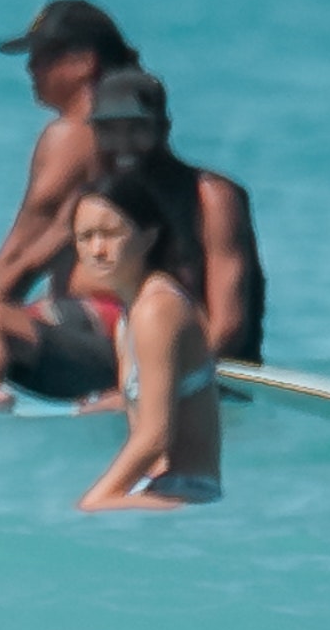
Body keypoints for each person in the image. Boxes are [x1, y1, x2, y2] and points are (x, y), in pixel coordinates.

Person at [0, 13, 263, 398]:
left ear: (163, 128)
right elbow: (27, 263)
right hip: (116, 354)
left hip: (191, 362)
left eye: (136, 129)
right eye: (110, 131)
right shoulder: (98, 198)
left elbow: (229, 324)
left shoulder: (211, 197)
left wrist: (150, 388)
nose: (123, 144)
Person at [61, 170, 226, 511]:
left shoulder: (157, 309)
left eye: (111, 234)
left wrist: (92, 501)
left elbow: (155, 436)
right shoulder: (132, 310)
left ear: (148, 236)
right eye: (85, 237)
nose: (97, 250)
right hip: (161, 487)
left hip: (188, 492)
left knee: (84, 510)